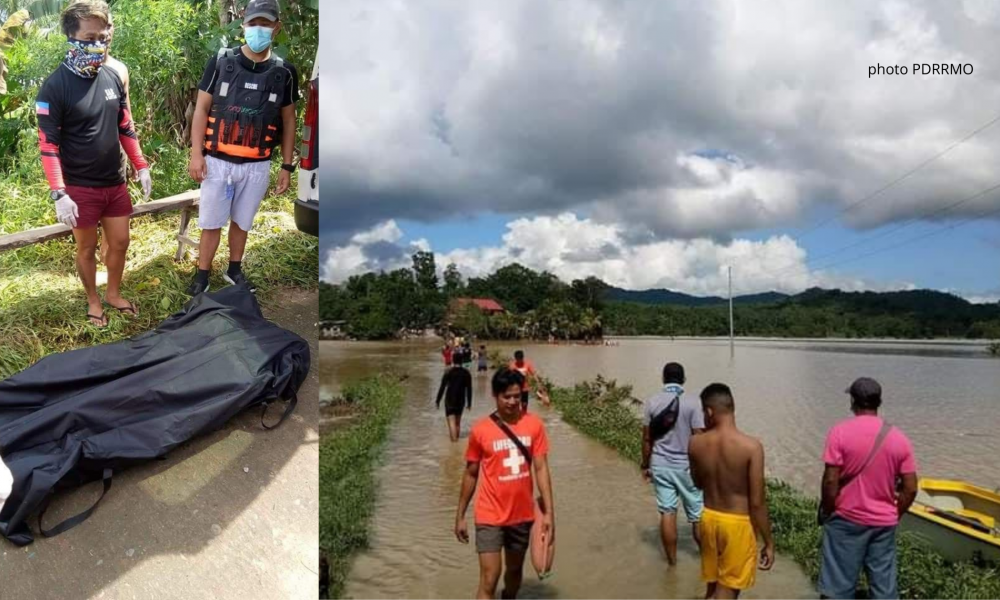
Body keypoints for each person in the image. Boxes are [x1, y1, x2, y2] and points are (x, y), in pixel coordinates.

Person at [37, 0, 152, 327]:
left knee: (120, 242)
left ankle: (113, 293)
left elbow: (124, 124)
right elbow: (48, 144)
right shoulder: (54, 87)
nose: (97, 45)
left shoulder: (115, 73)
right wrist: (59, 193)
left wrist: (140, 165)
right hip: (79, 187)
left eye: (103, 37)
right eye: (89, 38)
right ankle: (93, 299)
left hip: (115, 183)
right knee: (86, 249)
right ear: (71, 38)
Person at [186, 0, 299, 295]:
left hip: (257, 165)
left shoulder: (284, 72)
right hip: (217, 161)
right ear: (243, 25)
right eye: (252, 23)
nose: (258, 29)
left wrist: (286, 166)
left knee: (243, 221)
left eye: (265, 23)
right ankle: (202, 274)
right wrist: (196, 153)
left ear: (277, 27)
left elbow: (289, 120)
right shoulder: (221, 62)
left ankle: (234, 270)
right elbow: (201, 109)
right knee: (210, 222)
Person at [455, 368, 555, 600]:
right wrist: (460, 515)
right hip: (489, 514)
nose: (512, 402)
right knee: (490, 577)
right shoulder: (481, 430)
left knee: (514, 572)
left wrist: (549, 513)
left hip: (522, 515)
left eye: (517, 396)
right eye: (506, 396)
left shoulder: (534, 426)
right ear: (495, 396)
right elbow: (471, 474)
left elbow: (541, 469)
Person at [817, 377, 918, 600]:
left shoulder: (839, 432)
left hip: (846, 519)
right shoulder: (899, 438)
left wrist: (828, 508)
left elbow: (831, 480)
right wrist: (895, 512)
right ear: (878, 402)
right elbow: (910, 488)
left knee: (837, 588)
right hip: (883, 524)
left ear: (853, 400)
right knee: (884, 588)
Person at [689, 383, 774, 600]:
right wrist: (769, 543)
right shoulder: (751, 447)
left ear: (709, 411)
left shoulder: (696, 443)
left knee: (713, 587)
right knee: (728, 591)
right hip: (737, 523)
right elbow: (756, 502)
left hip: (708, 520)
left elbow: (698, 483)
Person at [640, 362, 704, 565]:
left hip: (660, 465)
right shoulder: (694, 403)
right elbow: (699, 439)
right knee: (697, 515)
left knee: (667, 512)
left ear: (663, 378)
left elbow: (646, 439)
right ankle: (707, 559)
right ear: (683, 379)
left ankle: (672, 564)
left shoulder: (652, 402)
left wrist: (645, 465)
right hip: (688, 467)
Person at [436, 360, 472, 442]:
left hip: (449, 400)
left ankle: (454, 444)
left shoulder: (448, 372)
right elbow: (469, 389)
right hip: (461, 400)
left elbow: (442, 387)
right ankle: (456, 442)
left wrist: (438, 400)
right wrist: (469, 403)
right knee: (457, 423)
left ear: (453, 360)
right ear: (462, 361)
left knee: (451, 422)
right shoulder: (466, 373)